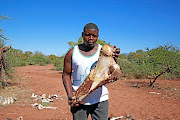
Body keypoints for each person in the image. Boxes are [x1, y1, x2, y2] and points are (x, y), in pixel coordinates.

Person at [62, 23, 120, 120]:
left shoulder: (104, 51)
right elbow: (66, 74)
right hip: (79, 100)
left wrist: (114, 59)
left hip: (100, 100)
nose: (91, 38)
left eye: (94, 36)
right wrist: (70, 95)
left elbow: (110, 73)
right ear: (82, 34)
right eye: (88, 35)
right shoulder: (72, 53)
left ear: (98, 36)